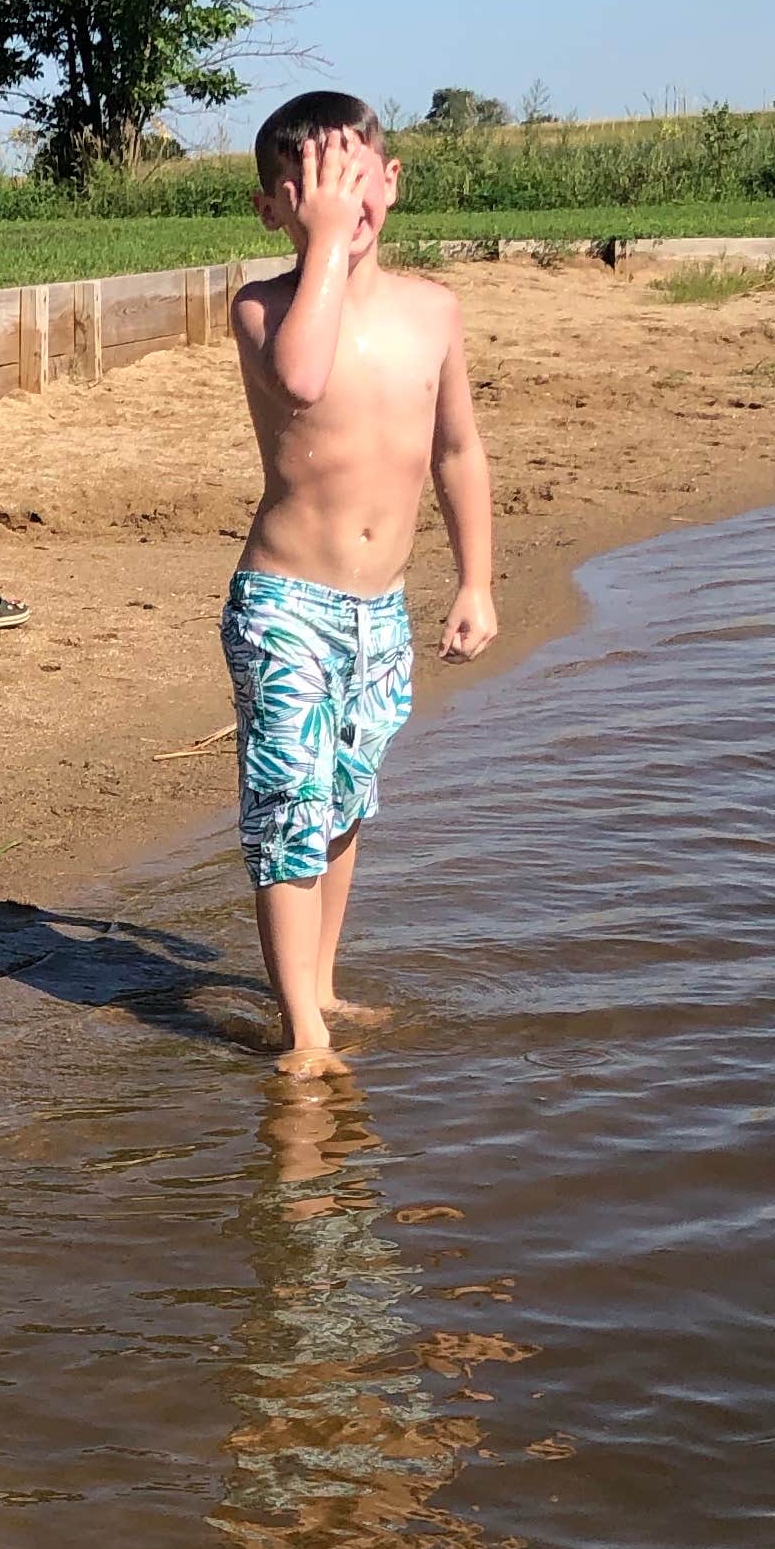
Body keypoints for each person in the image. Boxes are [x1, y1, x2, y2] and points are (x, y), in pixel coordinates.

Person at [225, 93, 497, 1074]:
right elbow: (303, 378)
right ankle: (303, 1034)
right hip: (285, 607)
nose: (340, 200)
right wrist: (329, 250)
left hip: (378, 612)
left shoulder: (434, 311)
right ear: (273, 209)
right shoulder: (263, 310)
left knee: (341, 802)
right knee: (290, 805)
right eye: (313, 186)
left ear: (392, 183)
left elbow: (458, 451)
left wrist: (477, 580)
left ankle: (323, 985)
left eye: (356, 178)